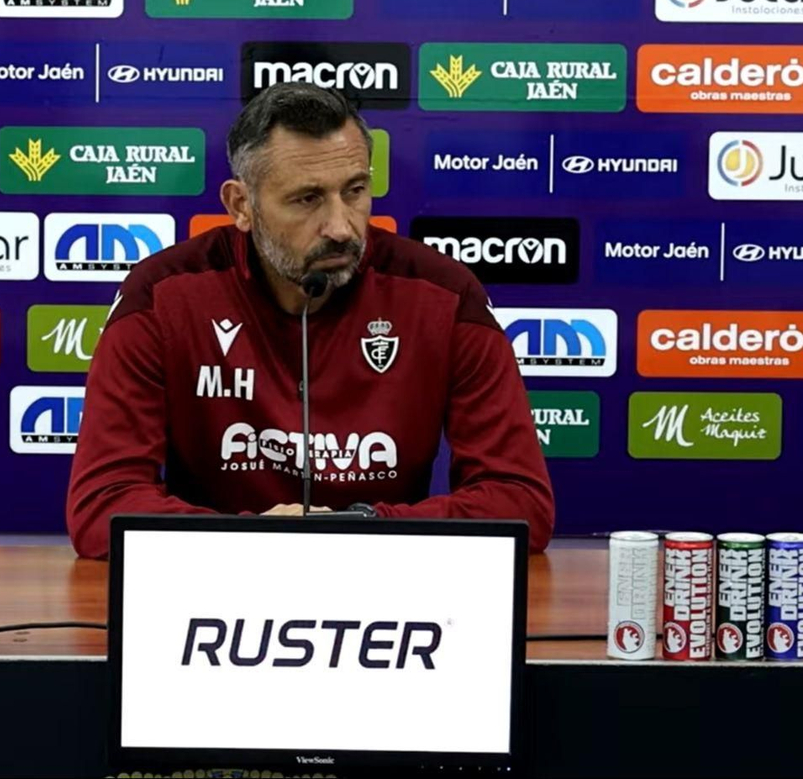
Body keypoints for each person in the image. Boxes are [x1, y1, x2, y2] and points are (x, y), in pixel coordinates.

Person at [65, 82, 554, 558]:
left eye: (355, 191)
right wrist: (251, 541)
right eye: (307, 199)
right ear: (242, 205)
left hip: (392, 582)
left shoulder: (442, 294)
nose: (341, 227)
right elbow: (102, 505)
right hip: (214, 589)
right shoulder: (163, 296)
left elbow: (520, 502)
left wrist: (361, 527)